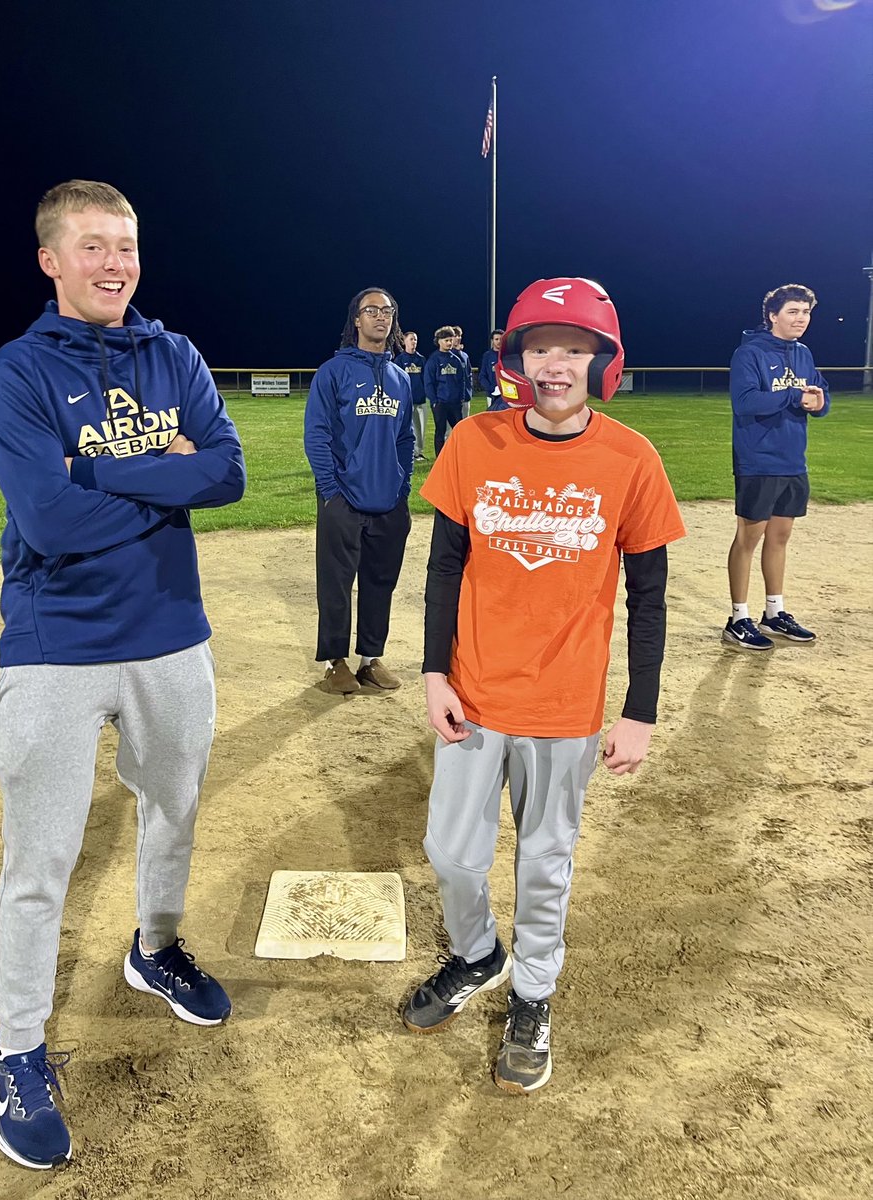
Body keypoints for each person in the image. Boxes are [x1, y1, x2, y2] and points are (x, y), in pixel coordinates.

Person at [0, 180, 245, 1169]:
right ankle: (15, 1051)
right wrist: (153, 476)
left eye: (124, 246)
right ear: (52, 259)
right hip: (54, 645)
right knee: (40, 864)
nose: (113, 264)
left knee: (173, 811)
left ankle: (155, 949)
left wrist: (94, 469)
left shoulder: (174, 355)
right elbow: (47, 521)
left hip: (172, 633)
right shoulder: (14, 374)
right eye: (92, 247)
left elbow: (226, 471)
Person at [402, 278, 685, 1095]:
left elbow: (650, 594)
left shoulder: (629, 458)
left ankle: (531, 994)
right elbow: (443, 566)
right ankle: (476, 953)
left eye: (573, 349)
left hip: (564, 706)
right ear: (514, 359)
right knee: (450, 852)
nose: (553, 365)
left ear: (602, 361)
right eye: (538, 348)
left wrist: (638, 710)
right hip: (475, 692)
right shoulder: (473, 443)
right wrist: (432, 670)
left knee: (543, 862)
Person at [303, 288, 415, 695]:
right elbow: (317, 434)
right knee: (336, 582)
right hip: (343, 498)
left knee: (379, 581)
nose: (380, 317)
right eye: (371, 311)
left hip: (389, 500)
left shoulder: (400, 377)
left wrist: (402, 484)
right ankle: (335, 662)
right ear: (356, 319)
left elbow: (406, 437)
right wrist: (331, 489)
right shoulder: (333, 372)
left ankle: (370, 659)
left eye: (387, 311)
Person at [723, 283, 830, 650]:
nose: (801, 319)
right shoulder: (749, 353)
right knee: (748, 538)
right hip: (758, 460)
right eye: (793, 312)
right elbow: (746, 402)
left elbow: (819, 393)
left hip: (792, 460)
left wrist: (818, 403)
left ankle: (774, 612)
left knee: (780, 538)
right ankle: (738, 618)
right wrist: (792, 395)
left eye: (806, 312)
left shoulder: (803, 354)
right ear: (772, 315)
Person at [424, 326, 469, 458]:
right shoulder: (433, 360)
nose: (449, 343)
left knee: (459, 431)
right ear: (439, 341)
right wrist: (434, 401)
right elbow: (429, 382)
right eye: (446, 340)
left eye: (450, 340)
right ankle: (440, 458)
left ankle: (458, 455)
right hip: (441, 403)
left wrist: (461, 398)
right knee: (440, 431)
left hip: (455, 403)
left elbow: (462, 381)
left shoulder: (456, 359)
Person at [395, 329, 428, 462]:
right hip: (406, 400)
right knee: (408, 428)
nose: (414, 342)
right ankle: (409, 452)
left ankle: (418, 452)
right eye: (411, 339)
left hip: (420, 399)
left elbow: (425, 378)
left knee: (421, 427)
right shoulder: (400, 360)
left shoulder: (421, 359)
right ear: (404, 341)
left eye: (415, 339)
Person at [478, 329, 505, 409]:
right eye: (496, 339)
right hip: (492, 394)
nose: (499, 341)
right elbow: (482, 376)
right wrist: (491, 388)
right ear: (492, 340)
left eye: (501, 339)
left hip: (507, 393)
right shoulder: (487, 356)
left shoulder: (508, 355)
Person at [452, 325, 473, 419]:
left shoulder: (465, 356)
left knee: (464, 425)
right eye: (455, 335)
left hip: (465, 397)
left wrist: (469, 390)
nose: (458, 338)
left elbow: (469, 374)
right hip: (452, 398)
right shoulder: (448, 355)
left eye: (459, 335)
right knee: (449, 430)